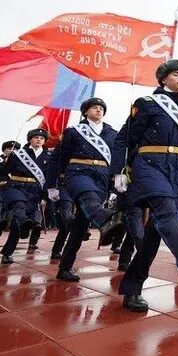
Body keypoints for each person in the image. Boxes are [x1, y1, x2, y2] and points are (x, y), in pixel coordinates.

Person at [110, 59, 178, 311]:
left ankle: (131, 288)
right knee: (165, 210)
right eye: (176, 74)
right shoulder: (147, 104)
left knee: (153, 236)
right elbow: (123, 139)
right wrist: (117, 171)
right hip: (150, 164)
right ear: (163, 79)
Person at [47, 96, 120, 282]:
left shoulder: (112, 133)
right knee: (88, 197)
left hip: (102, 177)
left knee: (79, 227)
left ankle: (64, 268)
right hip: (78, 172)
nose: (98, 110)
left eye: (101, 108)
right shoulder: (73, 131)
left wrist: (117, 179)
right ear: (85, 112)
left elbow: (119, 158)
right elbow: (58, 158)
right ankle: (105, 221)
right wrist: (52, 185)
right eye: (94, 107)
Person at [0, 129, 51, 264]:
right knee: (19, 205)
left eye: (41, 138)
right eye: (36, 137)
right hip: (16, 186)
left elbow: (48, 177)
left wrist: (46, 195)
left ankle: (7, 252)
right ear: (30, 140)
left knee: (17, 224)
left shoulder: (48, 156)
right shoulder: (18, 154)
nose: (39, 139)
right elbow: (2, 171)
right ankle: (25, 224)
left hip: (34, 190)